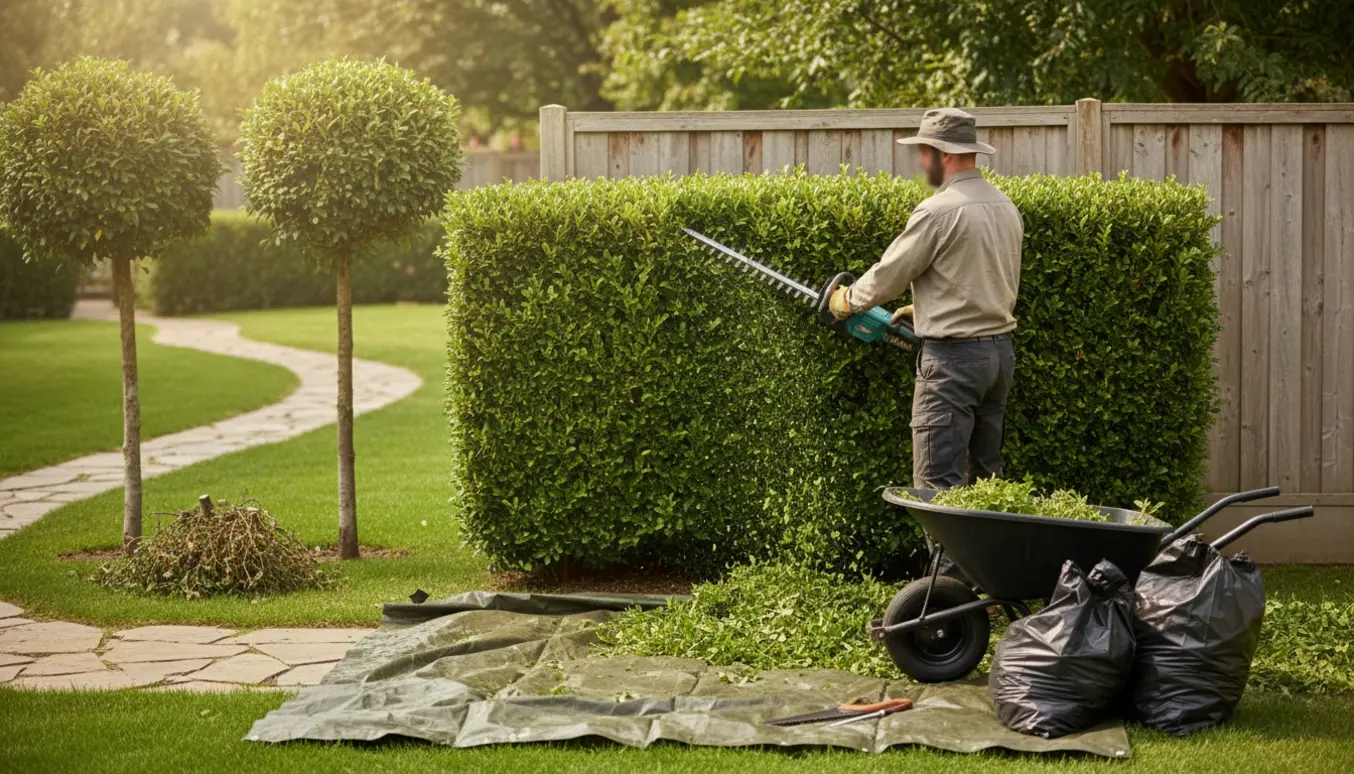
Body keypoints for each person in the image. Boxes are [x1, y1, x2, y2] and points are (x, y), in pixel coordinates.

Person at [828, 108, 1022, 493]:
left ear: (942, 153)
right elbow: (990, 278)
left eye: (923, 152)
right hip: (998, 358)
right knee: (985, 486)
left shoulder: (938, 211)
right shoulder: (1005, 207)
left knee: (937, 491)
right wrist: (928, 307)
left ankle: (944, 558)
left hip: (953, 365)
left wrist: (847, 301)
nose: (920, 161)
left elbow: (889, 274)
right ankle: (982, 556)